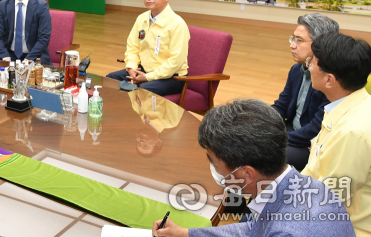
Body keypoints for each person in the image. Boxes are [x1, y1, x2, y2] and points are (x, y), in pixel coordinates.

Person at [152, 99, 354, 237]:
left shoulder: (287, 231)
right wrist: (186, 234)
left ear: (246, 173)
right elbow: (252, 229)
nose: (213, 169)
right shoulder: (306, 185)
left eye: (214, 162)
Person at [302, 33, 371, 236]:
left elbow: (330, 202)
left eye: (312, 62)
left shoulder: (352, 133)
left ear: (330, 80)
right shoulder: (353, 105)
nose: (308, 65)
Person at [271, 13, 338, 171]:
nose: (292, 45)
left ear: (320, 45)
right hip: (290, 132)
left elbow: (315, 129)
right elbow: (281, 106)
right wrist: (260, 121)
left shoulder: (330, 80)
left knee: (257, 155)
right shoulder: (296, 70)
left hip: (307, 145)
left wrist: (275, 138)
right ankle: (236, 196)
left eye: (298, 40)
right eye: (292, 39)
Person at [106, 0, 189, 96]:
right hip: (143, 70)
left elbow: (174, 63)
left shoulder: (177, 24)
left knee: (142, 91)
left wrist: (148, 77)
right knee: (109, 80)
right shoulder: (142, 18)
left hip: (171, 77)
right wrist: (131, 68)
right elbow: (133, 47)